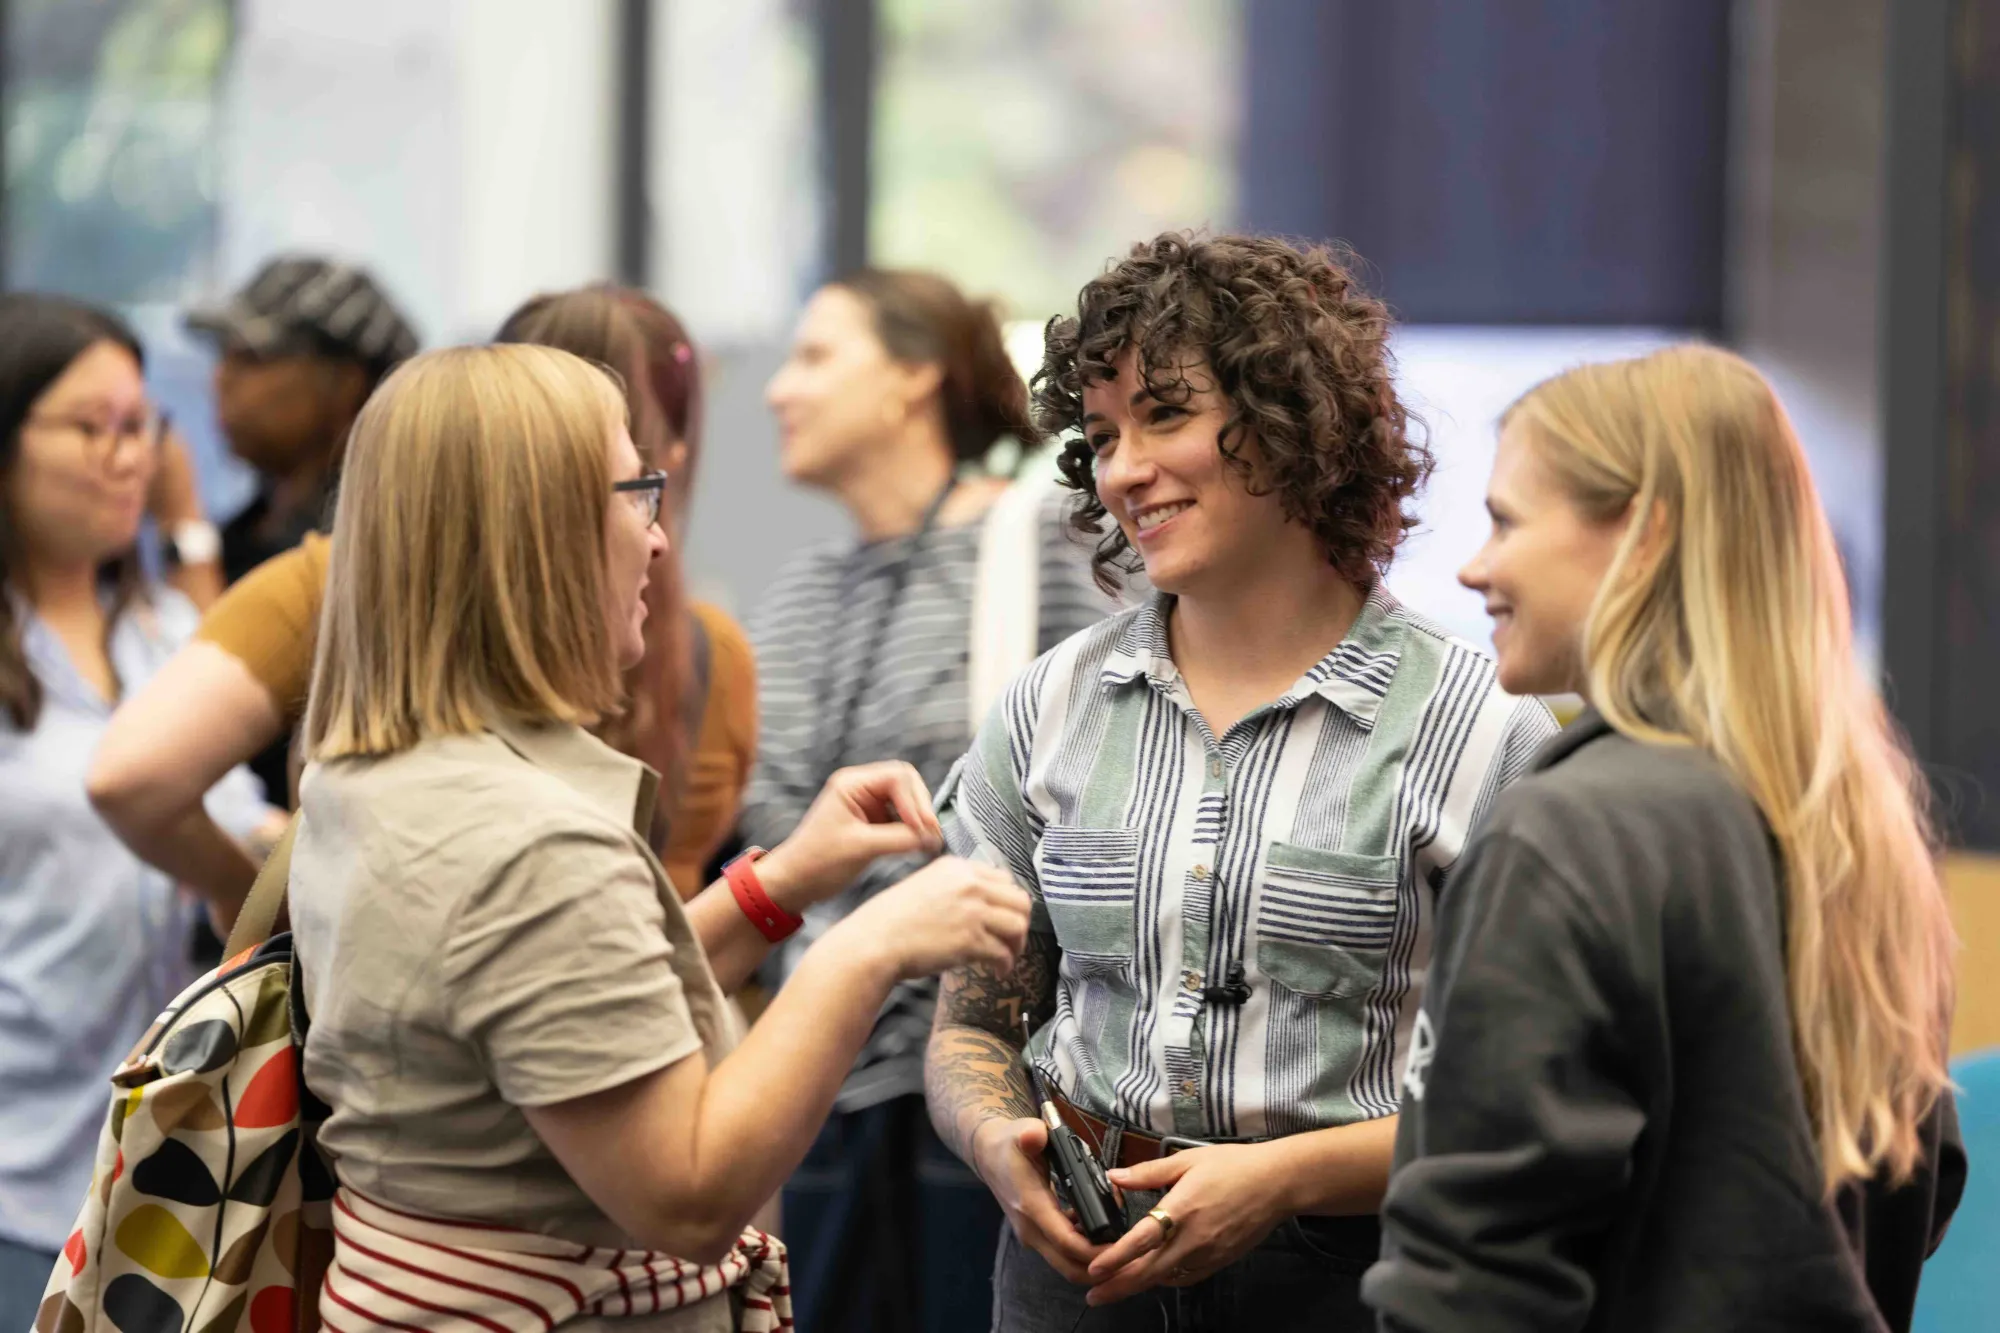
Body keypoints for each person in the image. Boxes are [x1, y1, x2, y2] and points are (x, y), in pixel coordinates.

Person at [290, 343, 1034, 1332]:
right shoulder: (530, 848)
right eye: (633, 490)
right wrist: (868, 946)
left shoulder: (372, 775)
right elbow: (685, 1191)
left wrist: (781, 886)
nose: (653, 537)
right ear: (536, 533)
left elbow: (572, 1028)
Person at [922, 232, 1557, 1332]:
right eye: (1103, 432)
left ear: (1292, 420)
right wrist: (994, 1143)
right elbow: (970, 1028)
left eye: (1164, 415)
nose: (1122, 467)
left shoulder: (1479, 732)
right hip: (1073, 1266)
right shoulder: (1048, 706)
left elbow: (1524, 1107)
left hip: (1347, 1275)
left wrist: (1282, 1177)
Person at [1362, 346, 1964, 1332]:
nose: (1474, 566)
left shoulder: (1567, 830)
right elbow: (1916, 1189)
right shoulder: (1854, 825)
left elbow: (1468, 1272)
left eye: (1505, 520)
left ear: (1641, 536)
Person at [89, 284, 750, 910]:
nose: (222, 380)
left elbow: (138, 775)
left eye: (257, 356)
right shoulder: (704, 656)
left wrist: (272, 903)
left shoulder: (323, 582)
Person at [744, 267, 1116, 1331]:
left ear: (914, 378)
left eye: (816, 356)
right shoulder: (803, 590)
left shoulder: (1041, 543)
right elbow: (773, 824)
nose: (779, 388)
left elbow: (1082, 783)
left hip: (988, 1078)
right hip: (821, 1077)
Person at [0, 295, 271, 1330]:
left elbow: (240, 815)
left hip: (166, 1182)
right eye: (89, 427)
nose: (127, 458)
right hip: (19, 1174)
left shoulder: (162, 633)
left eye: (139, 427)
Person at [181, 254, 418, 804]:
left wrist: (182, 538)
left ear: (346, 383)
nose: (222, 378)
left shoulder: (372, 551)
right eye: (222, 356)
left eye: (254, 357)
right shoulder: (245, 528)